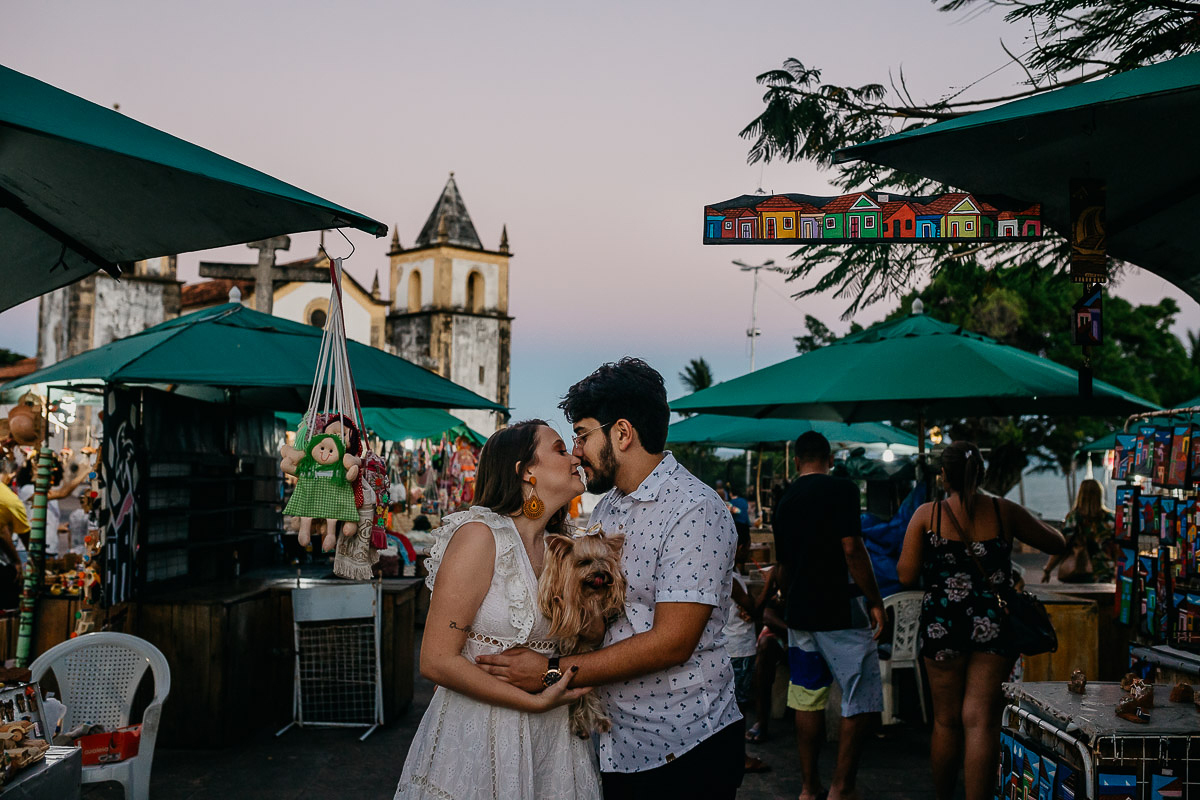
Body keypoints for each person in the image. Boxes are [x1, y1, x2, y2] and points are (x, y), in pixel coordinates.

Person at [477, 358, 744, 800]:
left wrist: (550, 671)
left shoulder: (694, 510)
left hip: (682, 747)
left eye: (582, 435)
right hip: (616, 742)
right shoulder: (608, 508)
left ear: (622, 433)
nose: (576, 450)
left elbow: (673, 642)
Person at [394, 420, 600, 799]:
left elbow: (592, 634)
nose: (575, 457)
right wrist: (533, 702)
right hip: (481, 737)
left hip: (553, 739)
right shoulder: (480, 536)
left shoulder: (563, 547)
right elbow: (436, 660)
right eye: (559, 449)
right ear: (526, 472)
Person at [897, 441, 1065, 800]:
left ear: (944, 476)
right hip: (993, 623)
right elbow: (1057, 542)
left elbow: (906, 575)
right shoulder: (1005, 511)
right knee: (980, 721)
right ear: (982, 473)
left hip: (942, 624)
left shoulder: (928, 515)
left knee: (945, 721)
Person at [772, 431, 886, 800]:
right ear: (830, 459)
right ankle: (841, 787)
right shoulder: (843, 490)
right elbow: (852, 548)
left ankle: (809, 788)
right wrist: (875, 600)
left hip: (801, 613)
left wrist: (786, 600)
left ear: (796, 461)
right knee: (859, 696)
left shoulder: (785, 500)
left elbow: (783, 565)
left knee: (807, 696)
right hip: (840, 612)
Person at [722, 526, 769, 773]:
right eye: (748, 546)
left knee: (735, 705)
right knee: (739, 707)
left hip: (735, 646)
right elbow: (753, 607)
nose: (750, 551)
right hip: (738, 649)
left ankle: (734, 755)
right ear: (740, 547)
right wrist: (770, 585)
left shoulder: (730, 573)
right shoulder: (730, 576)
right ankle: (739, 757)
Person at [1041, 478, 1115, 583]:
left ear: (1080, 495)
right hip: (1106, 571)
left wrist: (1048, 569)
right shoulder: (1111, 519)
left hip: (1081, 572)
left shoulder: (1074, 518)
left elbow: (1062, 546)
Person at [15, 453, 84, 557]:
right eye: (36, 469)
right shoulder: (28, 489)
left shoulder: (50, 492)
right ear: (30, 472)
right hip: (31, 550)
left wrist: (56, 527)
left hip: (50, 550)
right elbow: (63, 493)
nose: (42, 473)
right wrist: (84, 473)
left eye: (48, 468)